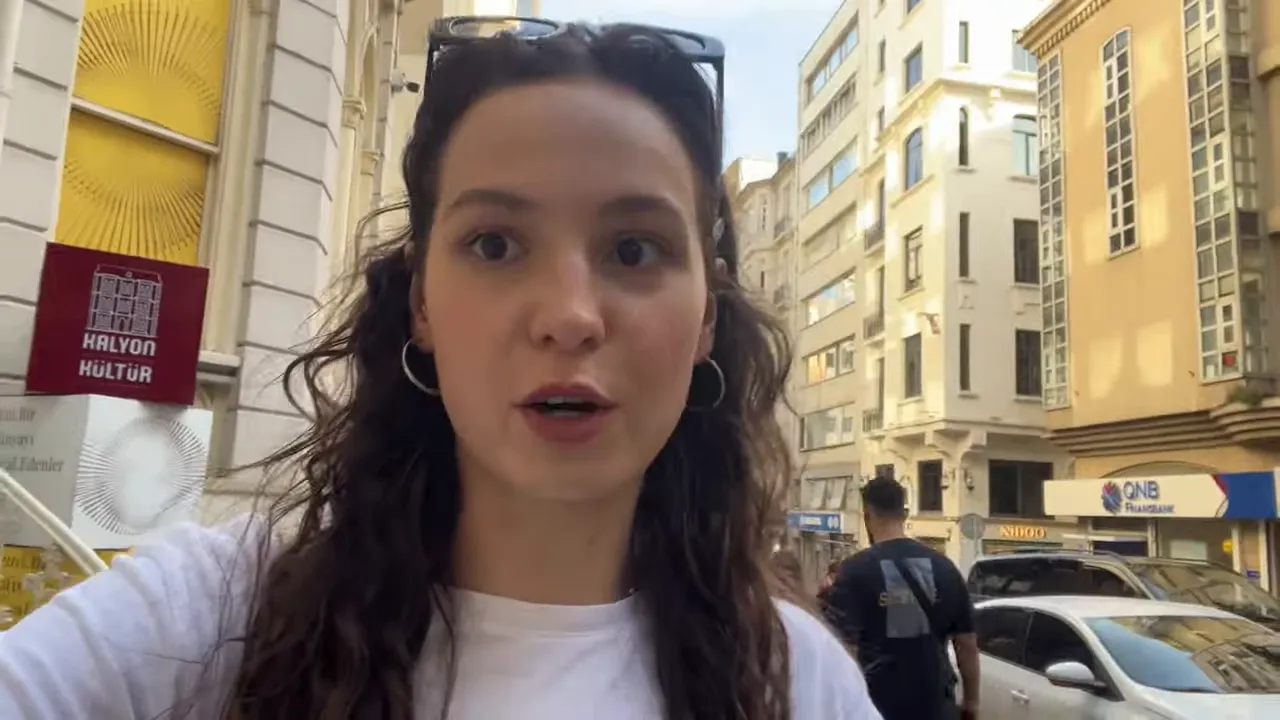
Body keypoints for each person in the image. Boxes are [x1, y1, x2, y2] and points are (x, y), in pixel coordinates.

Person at [0, 20, 881, 720]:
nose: (569, 315)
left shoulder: (797, 682)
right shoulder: (210, 618)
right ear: (420, 300)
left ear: (706, 320)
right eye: (495, 244)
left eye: (634, 249)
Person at [823, 477, 979, 720]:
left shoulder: (855, 571)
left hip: (878, 708)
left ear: (867, 515)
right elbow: (967, 645)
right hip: (937, 707)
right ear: (904, 514)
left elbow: (845, 653)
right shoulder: (945, 568)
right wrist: (971, 703)